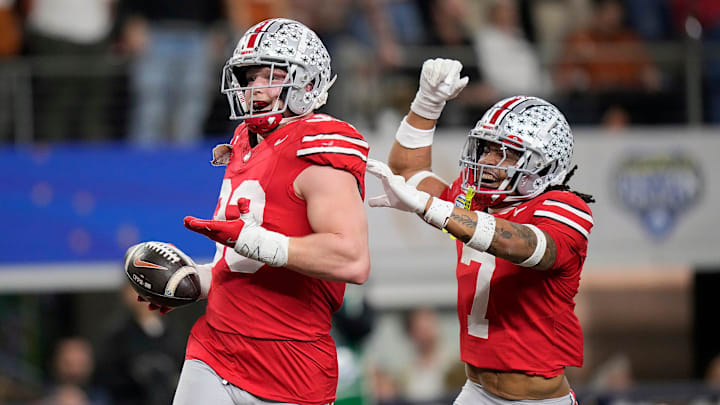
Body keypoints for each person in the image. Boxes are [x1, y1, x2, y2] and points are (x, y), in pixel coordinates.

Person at [128, 18, 371, 405]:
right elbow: (244, 260)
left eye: (270, 75)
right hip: (216, 347)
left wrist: (252, 240)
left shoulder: (320, 150)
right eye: (249, 76)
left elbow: (352, 259)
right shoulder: (245, 138)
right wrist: (200, 281)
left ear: (307, 83)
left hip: (289, 364)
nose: (255, 88)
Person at [366, 58, 594, 403]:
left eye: (504, 153)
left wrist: (434, 208)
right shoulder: (474, 200)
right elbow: (405, 173)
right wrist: (427, 103)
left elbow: (525, 245)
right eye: (486, 148)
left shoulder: (565, 206)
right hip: (477, 391)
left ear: (542, 164)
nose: (487, 161)